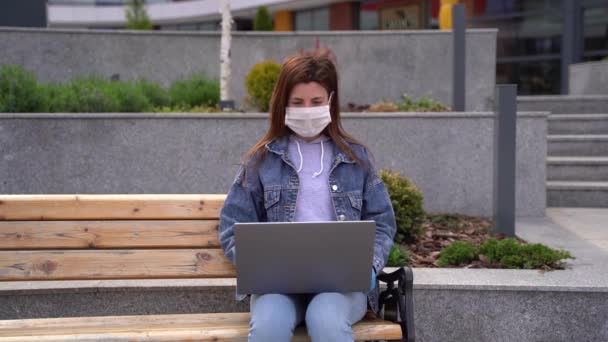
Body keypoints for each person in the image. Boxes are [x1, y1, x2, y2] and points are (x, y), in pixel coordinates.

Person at [218, 48, 397, 342]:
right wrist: (259, 267)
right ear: (283, 105)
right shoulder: (261, 161)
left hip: (341, 289)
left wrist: (369, 265)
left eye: (316, 102)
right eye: (297, 102)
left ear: (330, 101)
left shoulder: (356, 158)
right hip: (277, 287)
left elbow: (383, 222)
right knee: (268, 325)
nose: (307, 109)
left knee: (325, 319)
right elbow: (231, 227)